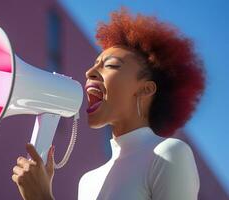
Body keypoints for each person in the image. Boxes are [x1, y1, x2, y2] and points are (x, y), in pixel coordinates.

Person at [11, 8, 205, 200]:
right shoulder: (87, 181)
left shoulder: (169, 154)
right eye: (94, 64)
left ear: (146, 89)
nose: (89, 72)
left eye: (110, 65)